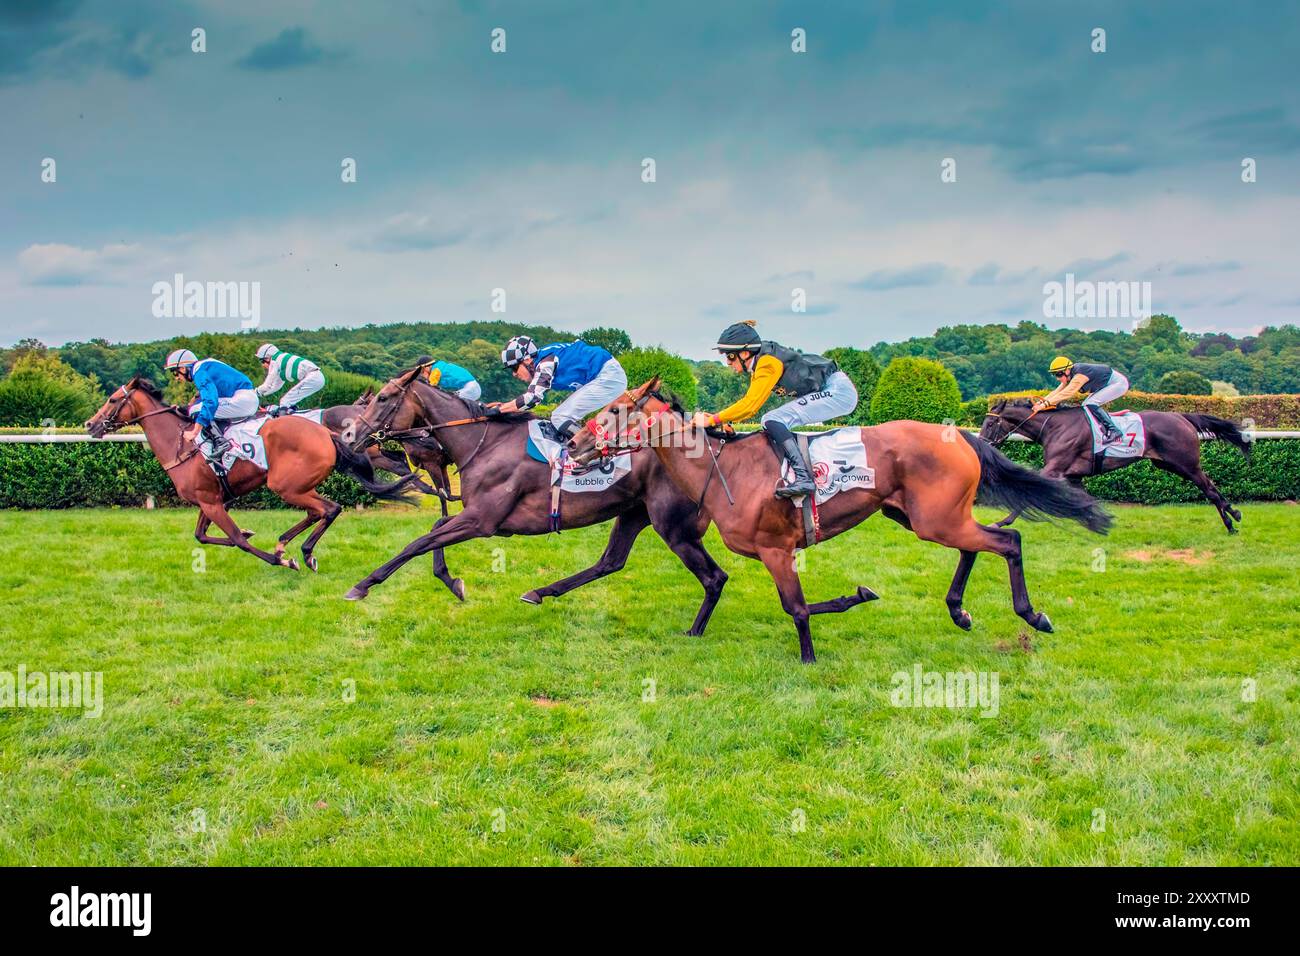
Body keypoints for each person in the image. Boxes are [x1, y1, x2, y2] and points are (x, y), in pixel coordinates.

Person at [689, 320, 857, 498]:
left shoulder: (767, 363)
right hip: (829, 388)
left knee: (772, 419)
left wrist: (712, 420)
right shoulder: (759, 362)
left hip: (837, 391)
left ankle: (804, 478)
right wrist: (728, 422)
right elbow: (749, 402)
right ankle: (801, 475)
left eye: (730, 356)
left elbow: (750, 406)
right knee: (772, 419)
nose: (728, 362)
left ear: (745, 353)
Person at [492, 336, 627, 440]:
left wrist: (499, 410)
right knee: (561, 415)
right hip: (605, 374)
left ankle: (594, 452)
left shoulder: (545, 363)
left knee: (559, 417)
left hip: (607, 376)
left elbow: (532, 398)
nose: (514, 374)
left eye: (514, 367)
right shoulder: (544, 358)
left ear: (527, 360)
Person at [163, 349, 258, 462]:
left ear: (183, 368)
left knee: (196, 409)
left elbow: (211, 401)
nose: (176, 378)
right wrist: (182, 408)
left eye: (175, 373)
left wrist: (194, 432)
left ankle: (221, 442)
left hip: (243, 400)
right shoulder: (205, 366)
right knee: (195, 407)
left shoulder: (199, 372)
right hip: (245, 398)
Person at [1034, 356, 1130, 442]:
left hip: (1118, 383)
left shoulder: (1079, 376)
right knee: (1086, 405)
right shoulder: (1069, 375)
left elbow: (1066, 393)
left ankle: (1114, 430)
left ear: (1067, 370)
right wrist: (1040, 402)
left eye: (1058, 374)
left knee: (1090, 403)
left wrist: (1044, 405)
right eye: (1054, 375)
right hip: (1107, 384)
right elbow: (1057, 392)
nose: (1057, 378)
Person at [254, 343, 326, 415]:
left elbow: (267, 386)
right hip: (317, 377)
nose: (263, 365)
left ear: (268, 357)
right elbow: (274, 387)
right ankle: (293, 413)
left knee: (285, 401)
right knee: (288, 402)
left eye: (262, 361)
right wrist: (261, 395)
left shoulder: (274, 361)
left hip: (313, 377)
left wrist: (253, 393)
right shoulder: (281, 363)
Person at [414, 354, 482, 401]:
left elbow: (430, 387)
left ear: (426, 367)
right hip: (471, 387)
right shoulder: (439, 366)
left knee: (451, 401)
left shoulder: (436, 371)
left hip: (471, 388)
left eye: (421, 371)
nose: (421, 374)